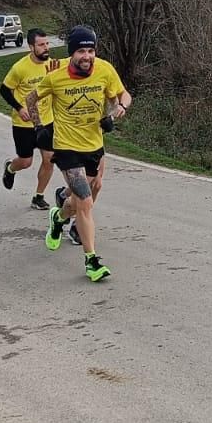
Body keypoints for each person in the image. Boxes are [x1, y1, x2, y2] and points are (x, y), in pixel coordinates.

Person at [39, 26, 132, 282]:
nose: (87, 56)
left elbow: (122, 95)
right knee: (85, 201)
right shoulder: (56, 78)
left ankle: (58, 218)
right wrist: (39, 126)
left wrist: (117, 111)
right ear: (72, 53)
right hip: (67, 147)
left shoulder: (104, 69)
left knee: (94, 188)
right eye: (81, 50)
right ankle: (91, 261)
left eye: (90, 50)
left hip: (94, 145)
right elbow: (31, 98)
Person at [0, 29, 65, 209]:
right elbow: (4, 90)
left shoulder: (52, 66)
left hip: (46, 120)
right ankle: (10, 168)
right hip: (24, 123)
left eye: (47, 44)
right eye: (41, 45)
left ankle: (38, 195)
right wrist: (19, 108)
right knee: (26, 162)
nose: (46, 48)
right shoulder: (19, 68)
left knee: (49, 158)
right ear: (31, 47)